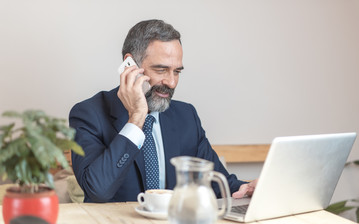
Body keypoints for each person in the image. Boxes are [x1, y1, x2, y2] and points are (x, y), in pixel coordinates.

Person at [69, 19, 257, 203]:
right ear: (130, 65)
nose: (172, 82)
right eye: (161, 70)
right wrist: (136, 118)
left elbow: (219, 184)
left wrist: (247, 189)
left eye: (177, 72)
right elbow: (97, 191)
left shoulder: (187, 116)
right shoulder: (88, 114)